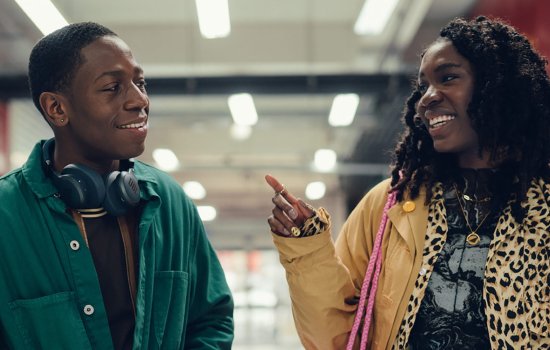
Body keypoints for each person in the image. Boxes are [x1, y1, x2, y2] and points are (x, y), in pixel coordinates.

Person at [266, 16, 549, 350]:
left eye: (447, 78)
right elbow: (338, 338)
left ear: (497, 86)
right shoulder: (390, 204)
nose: (427, 97)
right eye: (423, 86)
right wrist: (307, 250)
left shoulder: (542, 204)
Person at [0, 22, 233, 349]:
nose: (139, 101)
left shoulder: (170, 202)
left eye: (140, 83)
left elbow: (212, 318)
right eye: (112, 87)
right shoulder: (6, 217)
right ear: (57, 108)